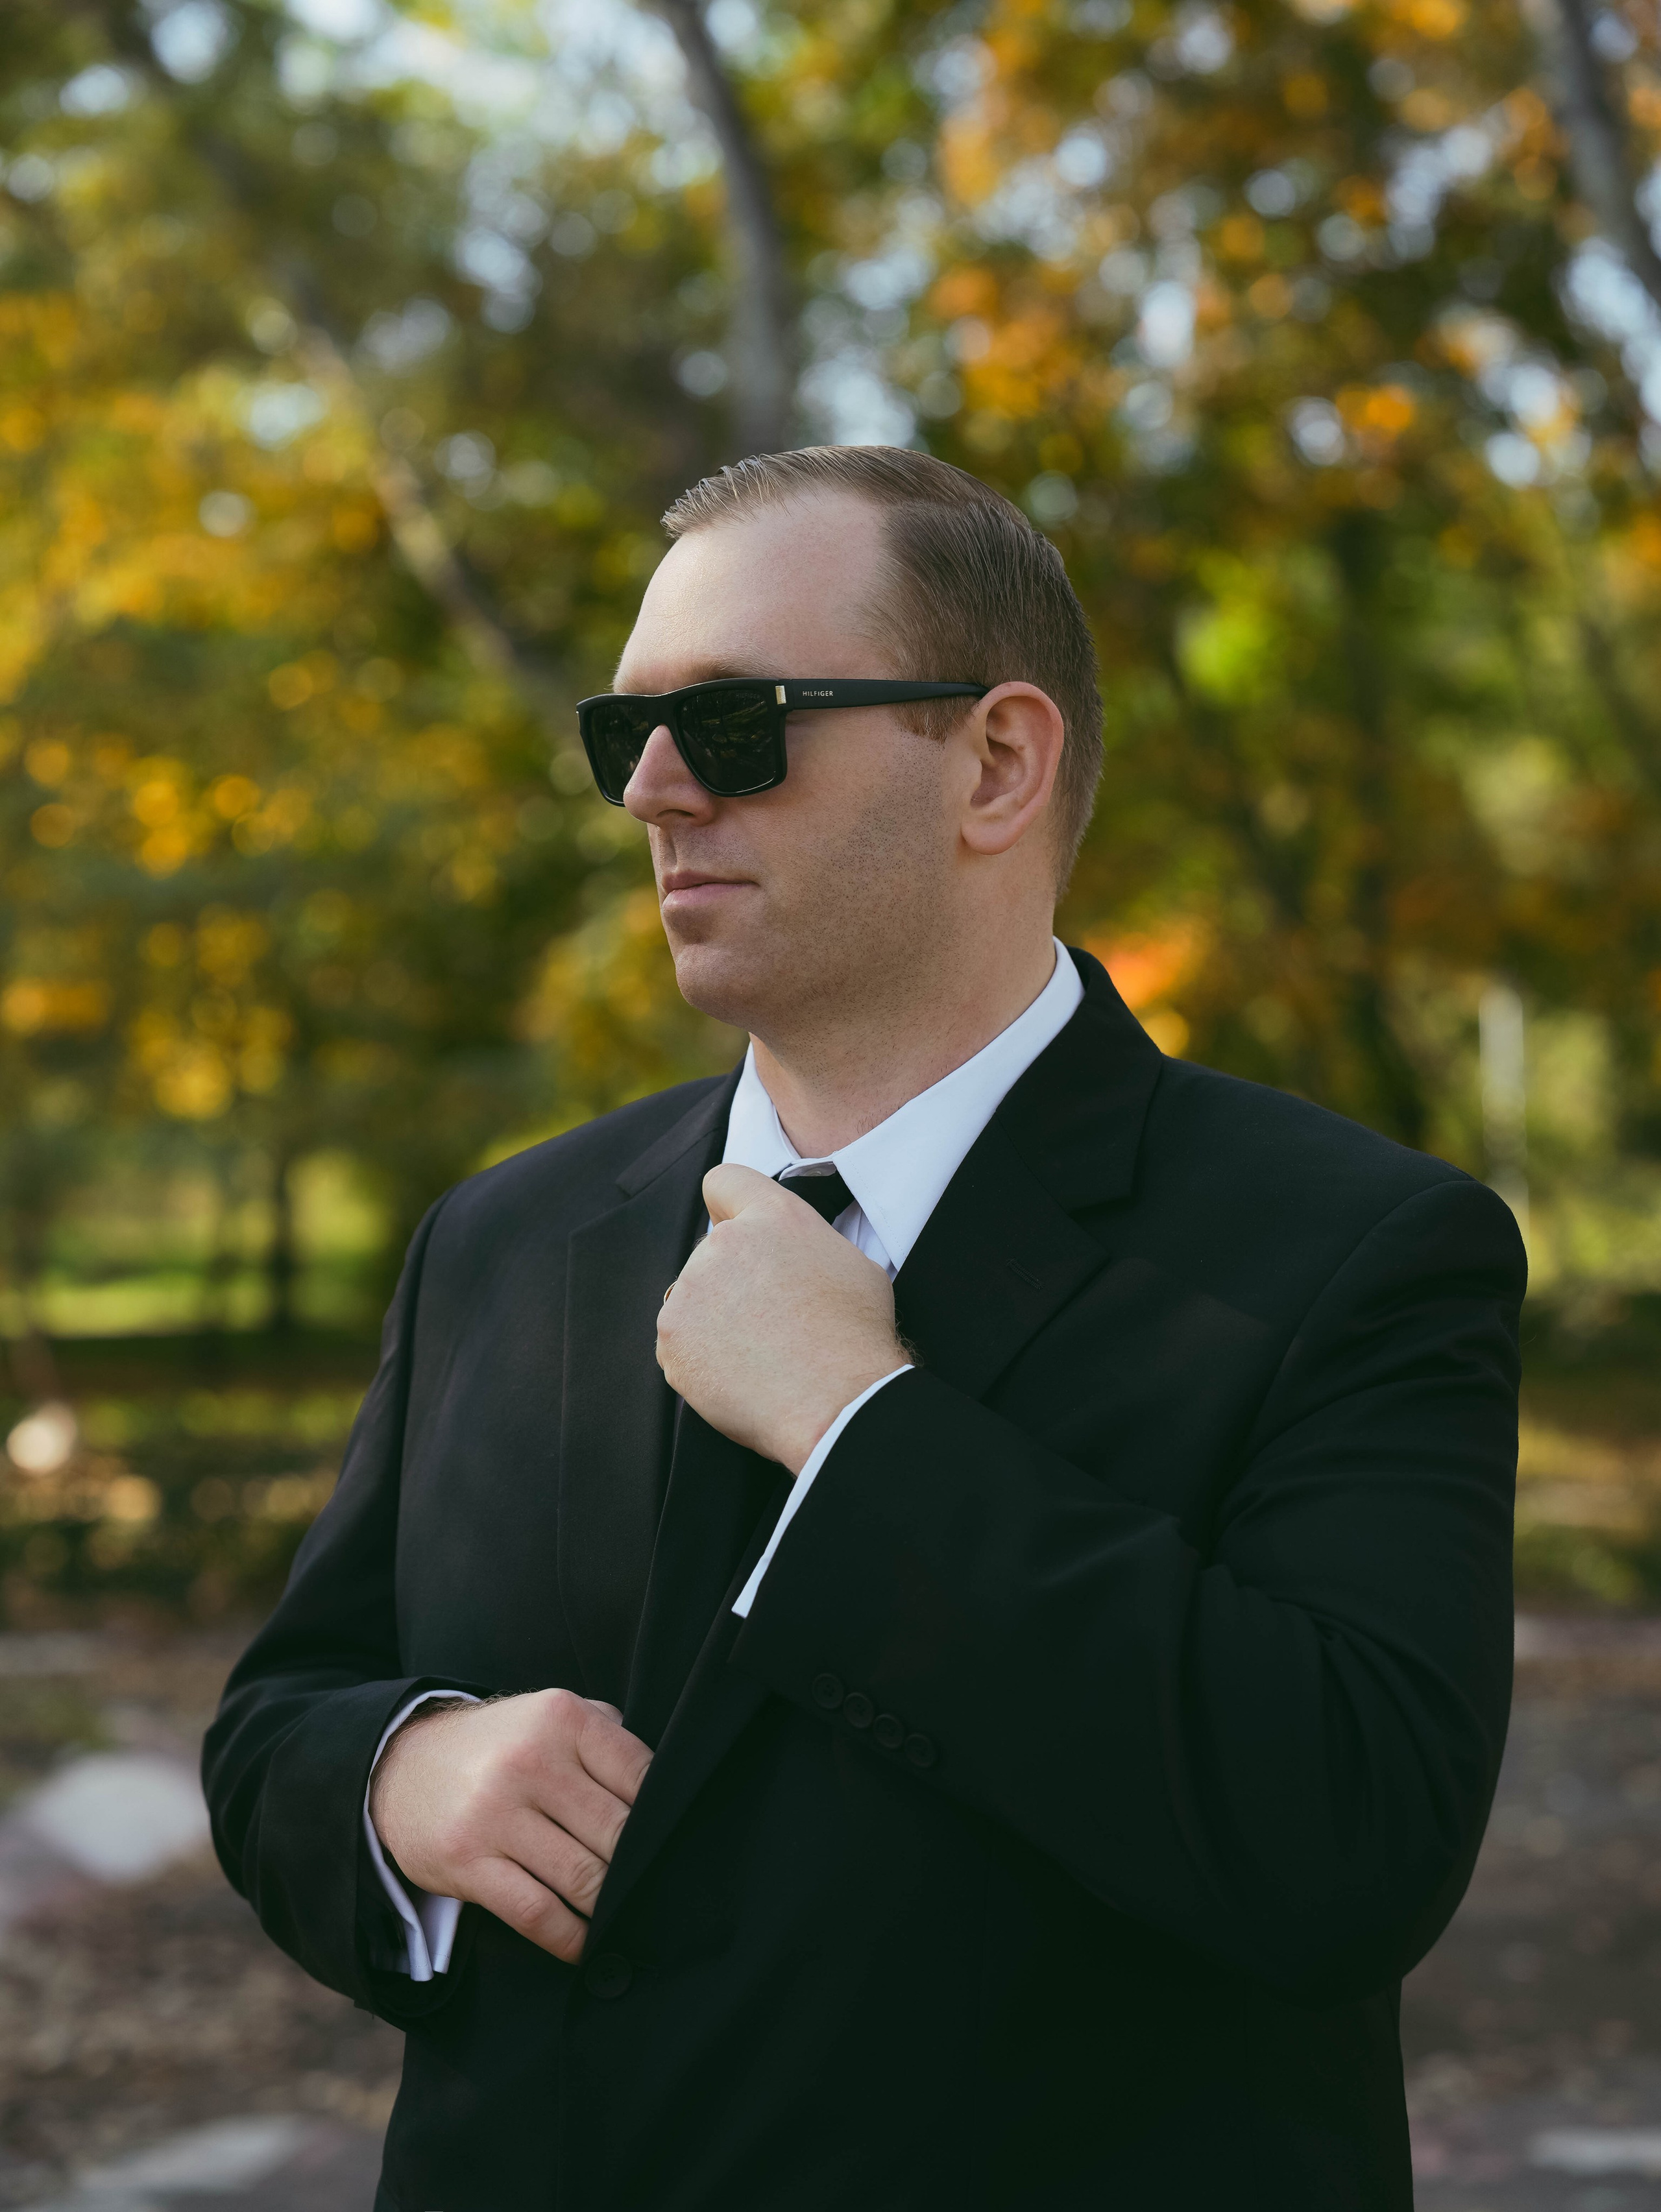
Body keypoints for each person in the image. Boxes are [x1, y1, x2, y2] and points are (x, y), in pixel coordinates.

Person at [203, 446, 1522, 2212]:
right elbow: (276, 1717)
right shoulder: (502, 1239)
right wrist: (401, 1778)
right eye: (627, 733)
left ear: (996, 761)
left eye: (738, 724)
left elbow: (1343, 1847)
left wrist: (859, 1430)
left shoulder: (1358, 1250)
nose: (656, 792)